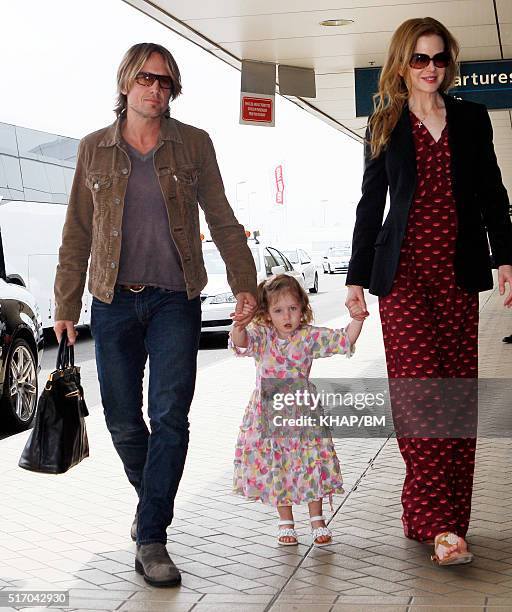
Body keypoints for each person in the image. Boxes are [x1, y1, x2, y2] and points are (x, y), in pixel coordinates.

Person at [53, 42, 257, 587]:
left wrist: (246, 285)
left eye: (166, 82)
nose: (156, 89)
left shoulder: (192, 144)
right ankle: (153, 509)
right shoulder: (93, 149)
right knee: (120, 417)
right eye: (147, 78)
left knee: (170, 416)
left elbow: (222, 217)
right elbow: (77, 231)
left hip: (174, 299)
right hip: (112, 300)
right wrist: (65, 304)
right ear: (125, 82)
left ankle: (151, 538)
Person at [345, 17, 512, 566]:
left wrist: (505, 256)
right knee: (421, 397)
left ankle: (440, 521)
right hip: (406, 276)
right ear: (402, 63)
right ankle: (441, 527)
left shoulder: (470, 118)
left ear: (450, 62)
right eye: (419, 59)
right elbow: (371, 205)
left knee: (456, 399)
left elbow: (492, 193)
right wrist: (354, 278)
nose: (431, 68)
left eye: (439, 58)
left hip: (458, 274)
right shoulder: (386, 121)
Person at [229, 275, 363, 546]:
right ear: (266, 314)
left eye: (292, 308)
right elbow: (240, 344)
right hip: (269, 412)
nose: (286, 315)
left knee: (311, 461)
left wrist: (358, 318)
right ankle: (286, 521)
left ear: (302, 307)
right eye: (278, 310)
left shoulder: (308, 336)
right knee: (278, 464)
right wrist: (238, 324)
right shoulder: (262, 337)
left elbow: (343, 339)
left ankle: (317, 519)